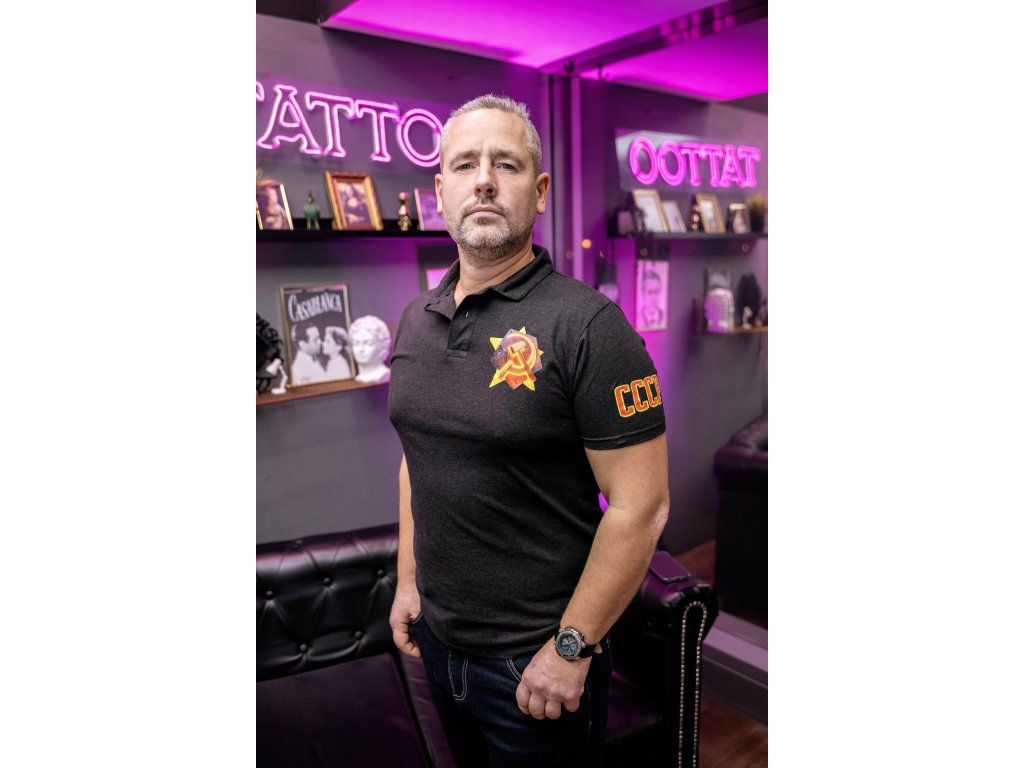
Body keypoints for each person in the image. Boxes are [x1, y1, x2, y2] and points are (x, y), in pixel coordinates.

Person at [387, 94, 668, 768]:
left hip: (534, 667)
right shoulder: (416, 318)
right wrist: (407, 581)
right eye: (465, 165)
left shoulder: (591, 328)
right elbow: (417, 457)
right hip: (440, 646)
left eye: (505, 165)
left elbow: (642, 506)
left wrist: (572, 648)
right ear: (441, 191)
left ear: (539, 192)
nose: (484, 180)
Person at [349, 315, 391, 383]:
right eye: (356, 343)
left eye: (368, 343)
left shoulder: (385, 375)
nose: (361, 349)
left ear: (381, 346)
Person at [289, 320, 327, 385]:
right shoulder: (300, 370)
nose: (320, 342)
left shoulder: (314, 357)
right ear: (303, 344)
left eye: (319, 337)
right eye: (315, 339)